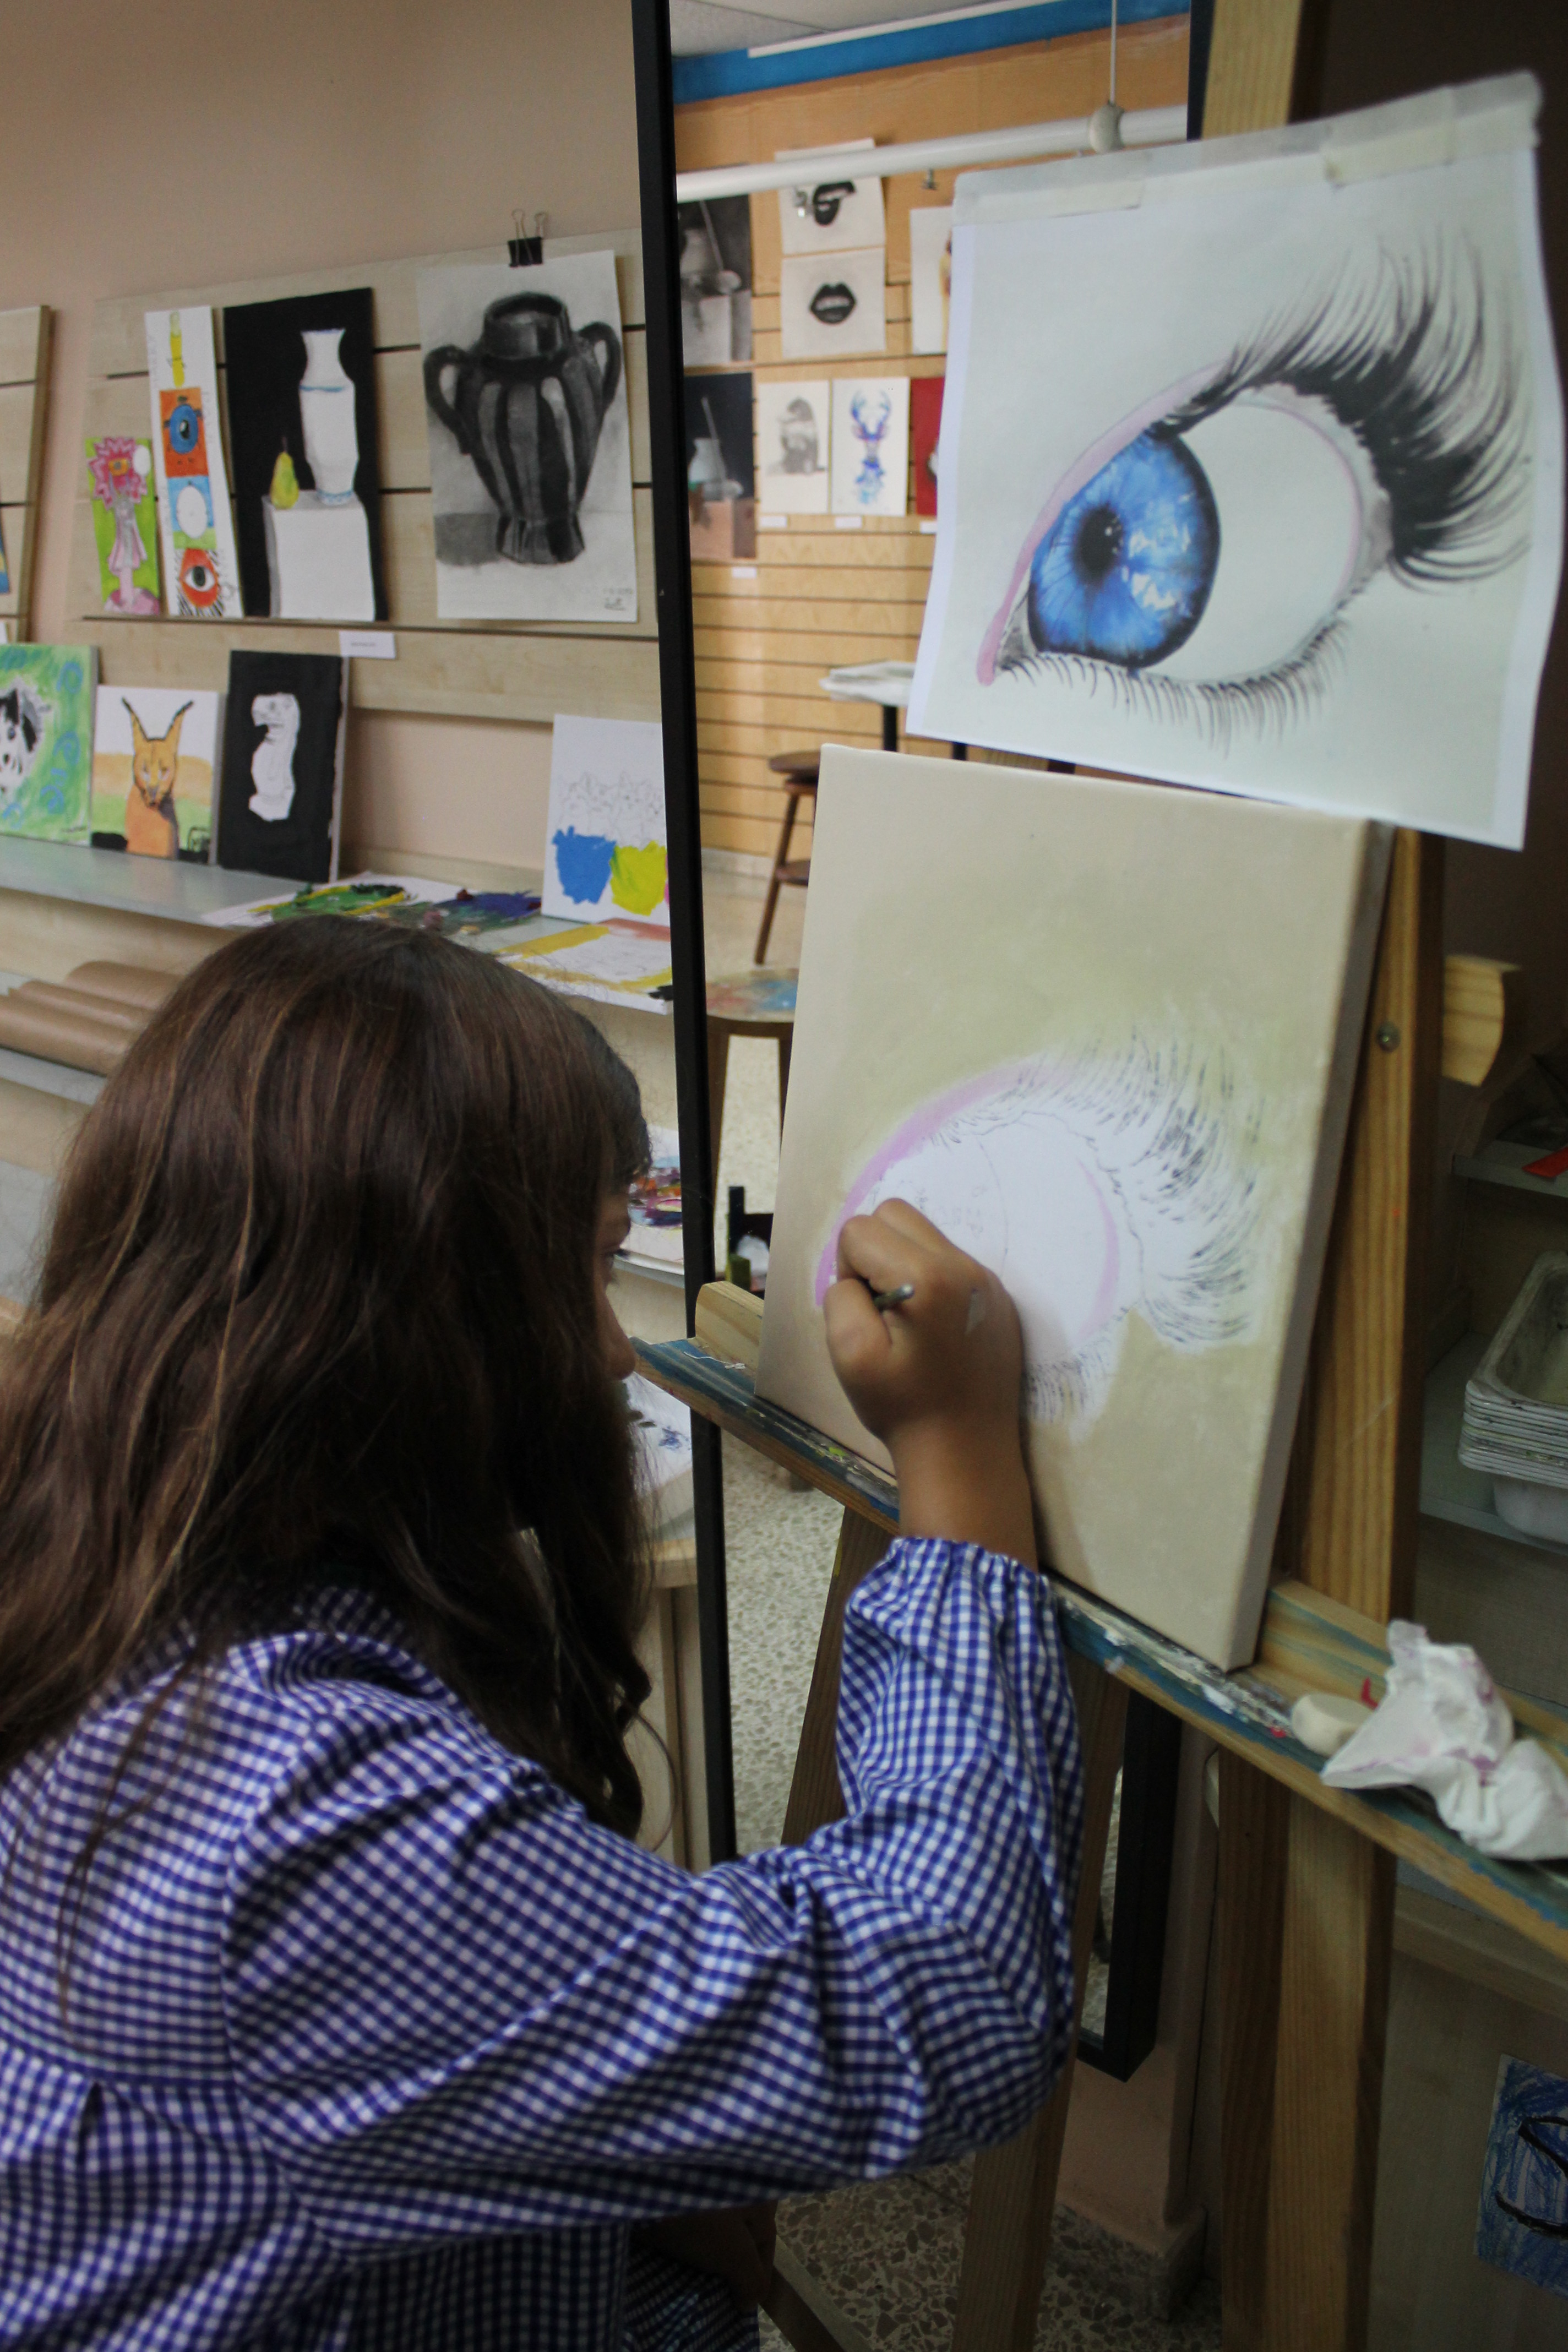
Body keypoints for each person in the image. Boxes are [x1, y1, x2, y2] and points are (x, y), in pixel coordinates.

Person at [0, 918, 1082, 2351]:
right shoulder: (295, 1817)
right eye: (584, 1272)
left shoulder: (96, 1551)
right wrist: (958, 1466)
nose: (615, 1348)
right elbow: (949, 1994)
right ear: (391, 1322)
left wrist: (600, 2166)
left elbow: (354, 2074)